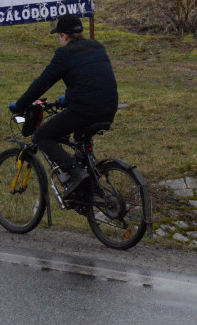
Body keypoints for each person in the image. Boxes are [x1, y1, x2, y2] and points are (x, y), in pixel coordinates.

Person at [10, 14, 118, 199]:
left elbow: (42, 83)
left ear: (64, 36)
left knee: (42, 135)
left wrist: (20, 105)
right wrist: (67, 99)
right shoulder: (97, 46)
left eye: (59, 36)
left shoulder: (64, 54)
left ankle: (76, 173)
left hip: (85, 110)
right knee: (78, 139)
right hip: (109, 107)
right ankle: (86, 191)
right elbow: (92, 80)